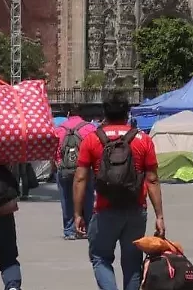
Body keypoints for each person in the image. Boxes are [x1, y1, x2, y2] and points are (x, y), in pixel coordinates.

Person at [74, 99, 165, 290]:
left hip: (105, 210)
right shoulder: (143, 140)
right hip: (136, 208)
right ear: (127, 114)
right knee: (132, 263)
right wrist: (159, 216)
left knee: (100, 257)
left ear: (104, 115)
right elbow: (153, 180)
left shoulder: (92, 139)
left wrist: (77, 213)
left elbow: (81, 178)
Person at [56, 115, 96, 240]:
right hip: (84, 169)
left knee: (66, 199)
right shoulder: (90, 128)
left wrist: (57, 162)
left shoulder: (59, 129)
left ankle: (70, 230)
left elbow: (55, 149)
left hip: (64, 169)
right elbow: (95, 148)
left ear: (68, 114)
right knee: (87, 197)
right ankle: (88, 228)